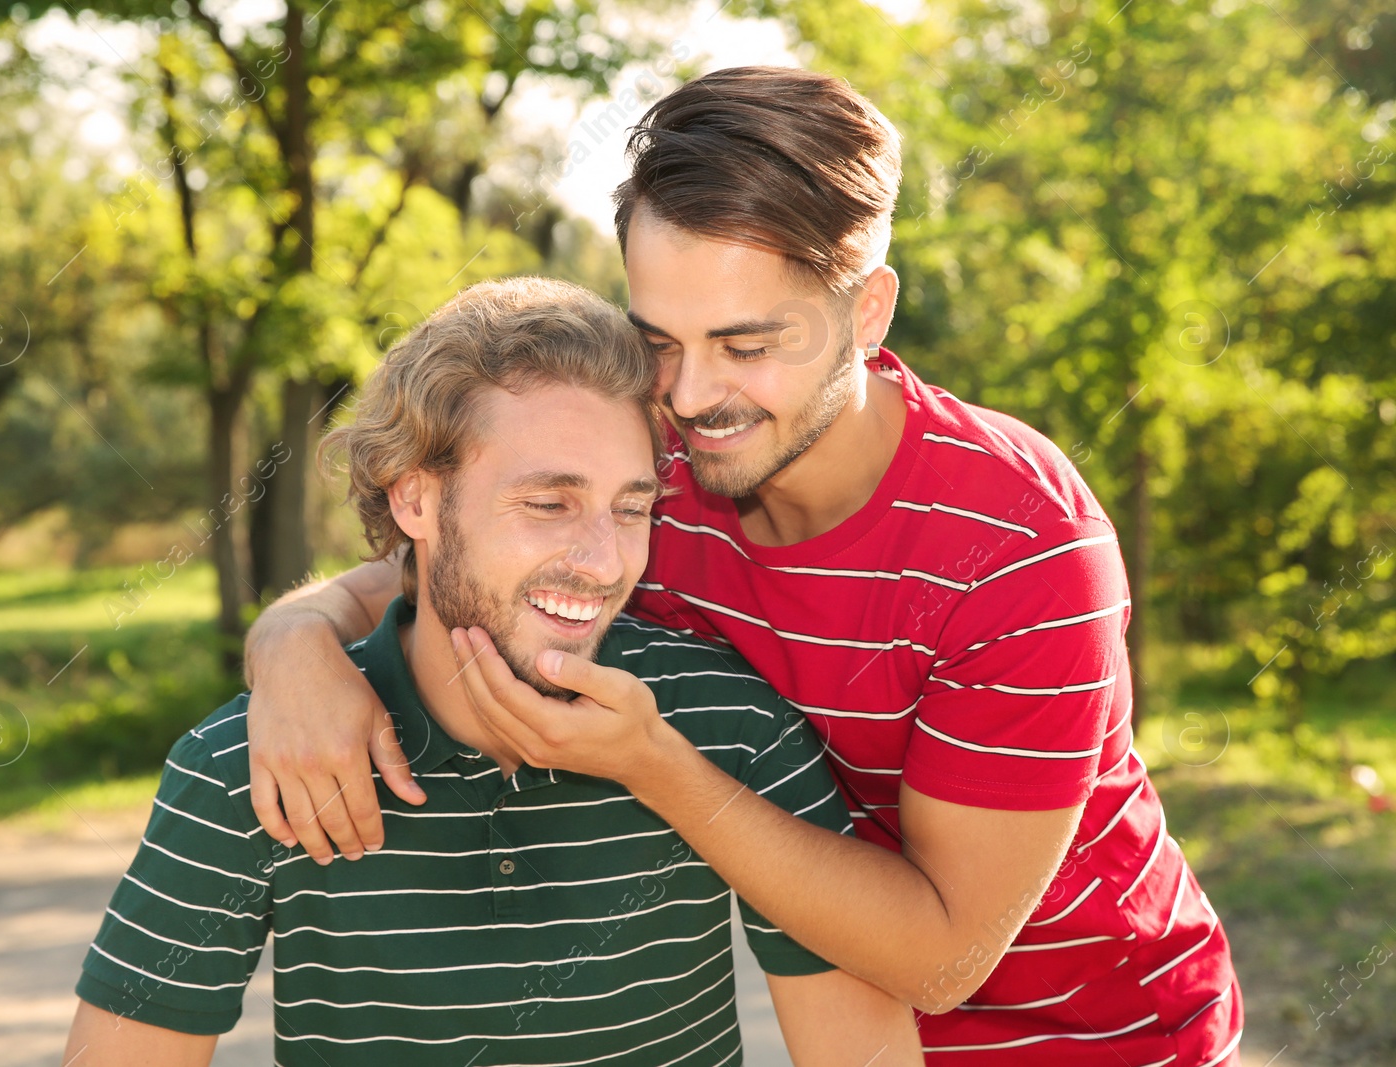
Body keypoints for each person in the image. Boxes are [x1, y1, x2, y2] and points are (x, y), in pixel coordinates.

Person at [240, 67, 1244, 1066]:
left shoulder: (1018, 542)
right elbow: (437, 569)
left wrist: (653, 764)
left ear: (867, 313)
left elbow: (942, 959)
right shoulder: (653, 480)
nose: (688, 395)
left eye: (745, 343)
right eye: (657, 341)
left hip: (1106, 1035)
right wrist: (292, 639)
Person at [62, 277, 923, 1066]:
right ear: (415, 499)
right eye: (548, 503)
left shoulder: (731, 722)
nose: (600, 560)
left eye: (631, 508)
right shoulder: (252, 762)